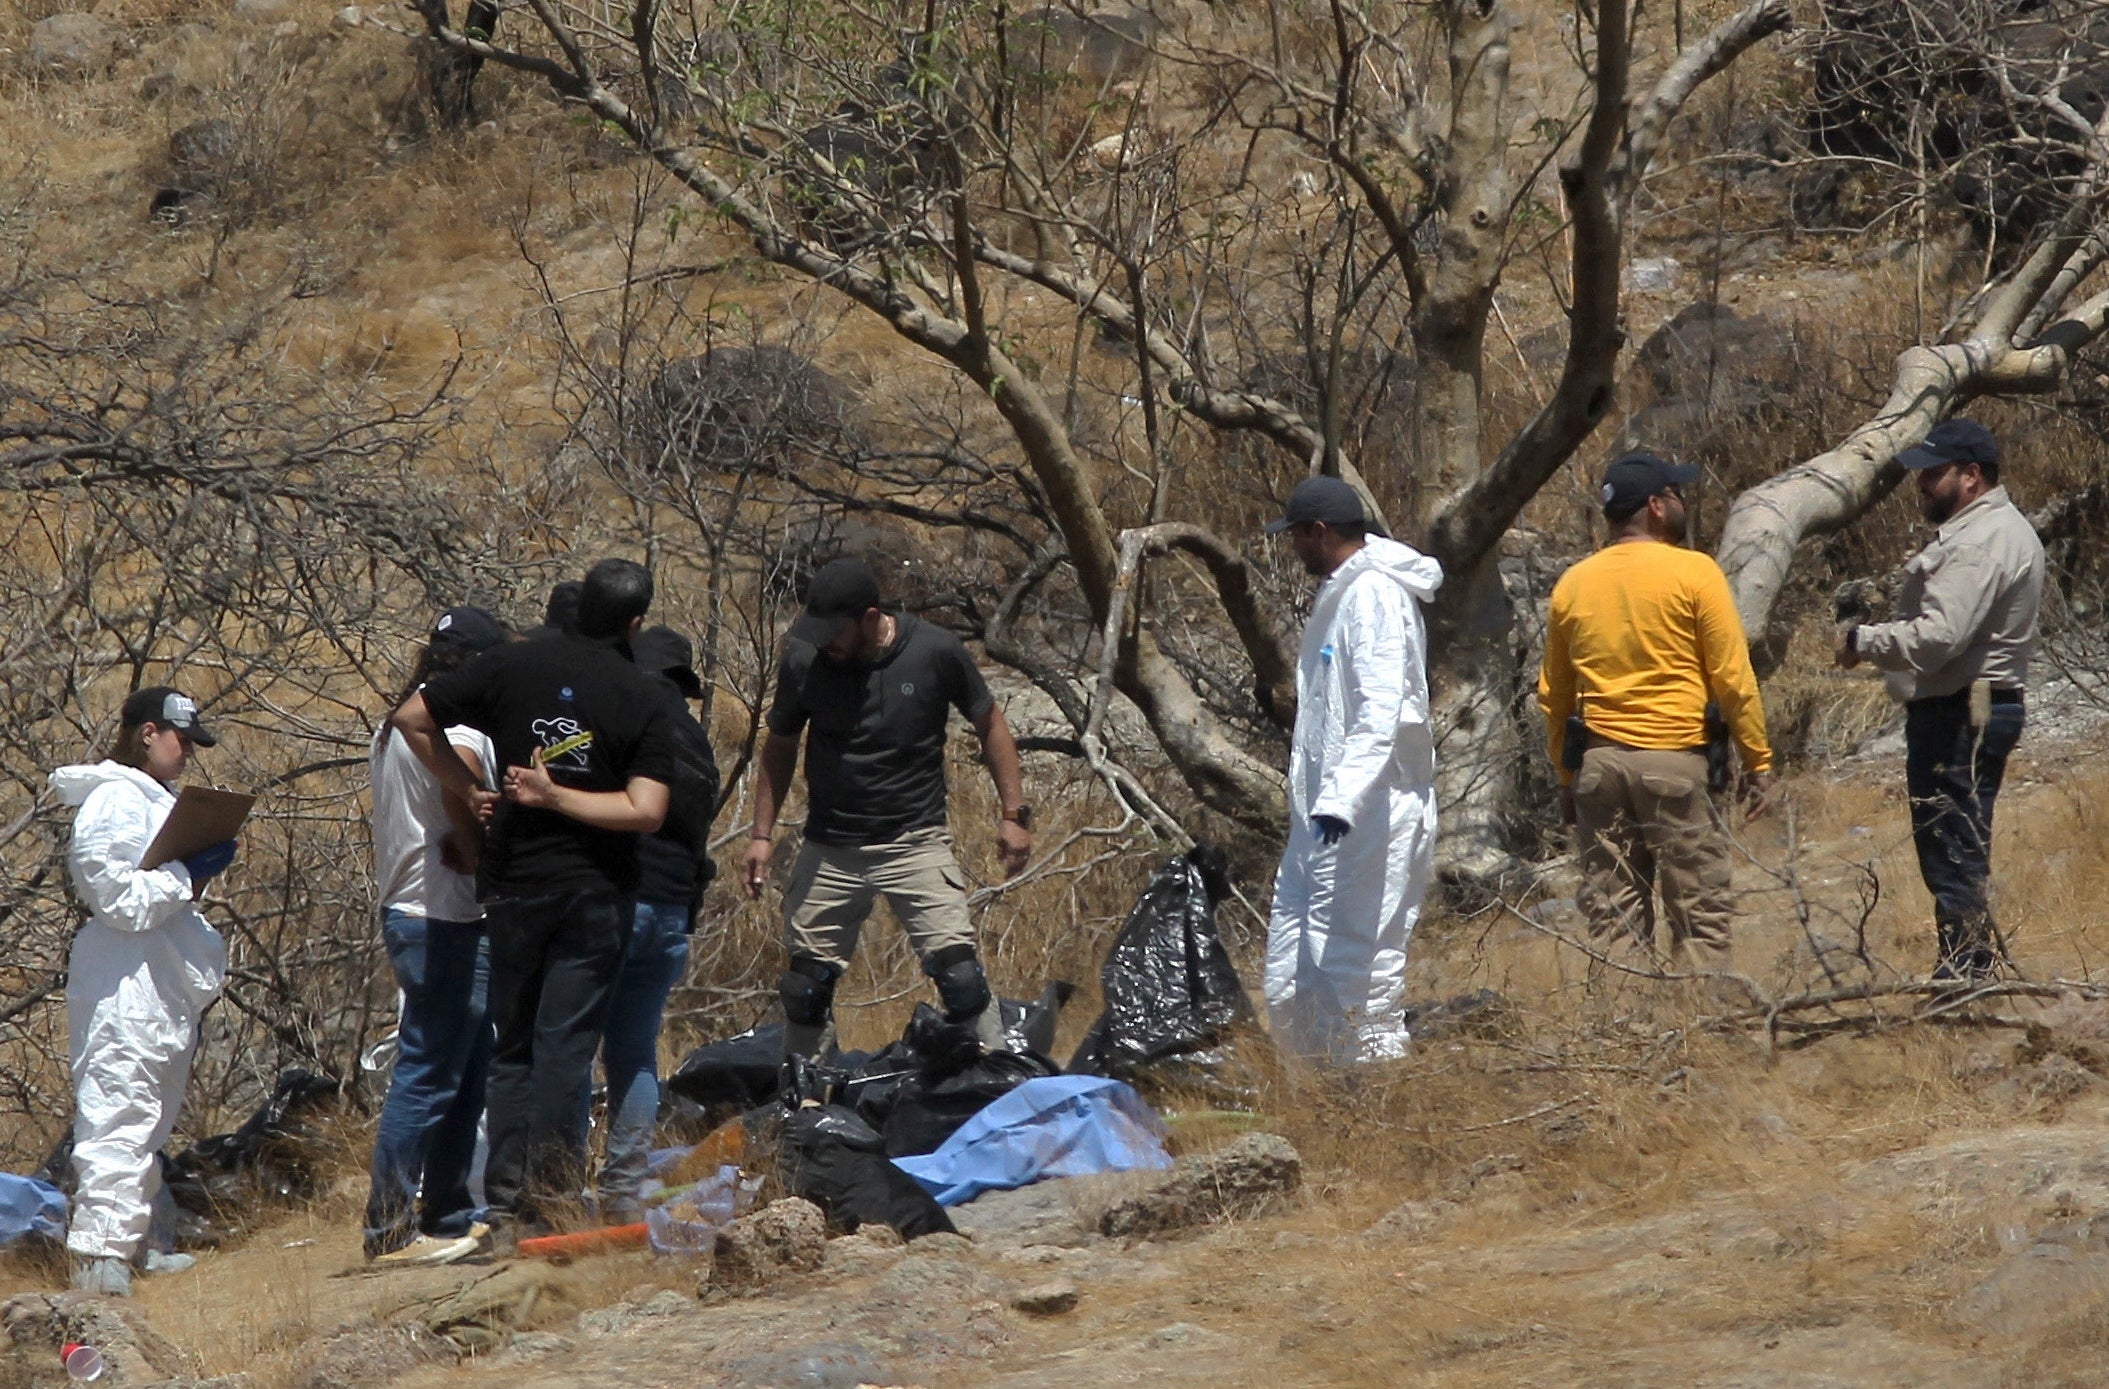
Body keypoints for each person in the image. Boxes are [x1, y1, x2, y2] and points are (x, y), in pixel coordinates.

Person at [391, 559, 675, 1241]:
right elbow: (646, 810)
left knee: (512, 1046)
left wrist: (466, 786)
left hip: (514, 883)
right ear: (634, 622)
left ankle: (506, 1206)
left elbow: (410, 716)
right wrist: (561, 797)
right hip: (593, 888)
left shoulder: (512, 668)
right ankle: (550, 1204)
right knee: (563, 1050)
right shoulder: (641, 693)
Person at [742, 558, 1031, 1061]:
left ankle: (997, 1082)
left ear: (870, 617)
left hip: (914, 840)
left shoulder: (935, 652)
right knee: (805, 989)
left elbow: (990, 725)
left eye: (835, 631)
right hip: (830, 845)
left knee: (960, 977)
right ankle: (806, 1100)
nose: (825, 641)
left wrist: (1013, 814)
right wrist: (761, 836)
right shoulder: (804, 660)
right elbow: (781, 744)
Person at [1537, 451, 1773, 975]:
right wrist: (1758, 760)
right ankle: (1703, 1034)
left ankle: (1621, 1040)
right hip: (1676, 764)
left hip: (1599, 770)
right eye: (1677, 494)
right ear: (1656, 507)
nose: (1683, 502)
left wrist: (1565, 777)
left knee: (1612, 918)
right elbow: (1732, 677)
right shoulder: (1695, 572)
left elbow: (1554, 694)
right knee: (1700, 913)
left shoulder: (1572, 584)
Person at [1835, 418, 2044, 980]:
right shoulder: (1986, 530)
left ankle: (1966, 973)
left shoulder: (1980, 542)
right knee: (1954, 837)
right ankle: (1967, 965)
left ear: (1970, 475)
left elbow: (1938, 637)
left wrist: (1864, 641)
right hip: (1968, 702)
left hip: (1966, 707)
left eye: (1933, 473)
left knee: (1953, 840)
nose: (1922, 484)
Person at [50, 688, 236, 1296]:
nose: (187, 754)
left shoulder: (150, 801)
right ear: (148, 733)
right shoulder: (112, 802)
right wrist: (190, 873)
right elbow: (120, 901)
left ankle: (138, 1244)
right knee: (117, 1115)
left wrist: (190, 876)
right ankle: (100, 1262)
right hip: (124, 987)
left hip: (157, 986)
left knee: (149, 1120)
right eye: (181, 741)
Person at [1262, 477, 1444, 1065]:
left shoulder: (1374, 597)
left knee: (1358, 963)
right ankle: (1310, 1082)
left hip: (1371, 811)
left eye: (1296, 538)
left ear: (1318, 533)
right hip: (1324, 817)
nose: (1293, 550)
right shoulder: (1343, 593)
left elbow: (1380, 708)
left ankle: (1371, 1096)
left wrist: (1342, 797)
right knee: (1293, 957)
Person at [361, 607, 506, 1266]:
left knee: (464, 1065)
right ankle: (389, 1224)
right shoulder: (460, 726)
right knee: (427, 1069)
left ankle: (445, 1206)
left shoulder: (394, 727)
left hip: (416, 907)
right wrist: (479, 849)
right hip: (440, 912)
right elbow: (463, 788)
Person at [589, 625, 720, 1221]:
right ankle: (622, 1193)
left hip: (615, 901)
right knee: (635, 1052)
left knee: (568, 1046)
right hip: (672, 911)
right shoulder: (697, 742)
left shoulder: (620, 716)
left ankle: (560, 1193)